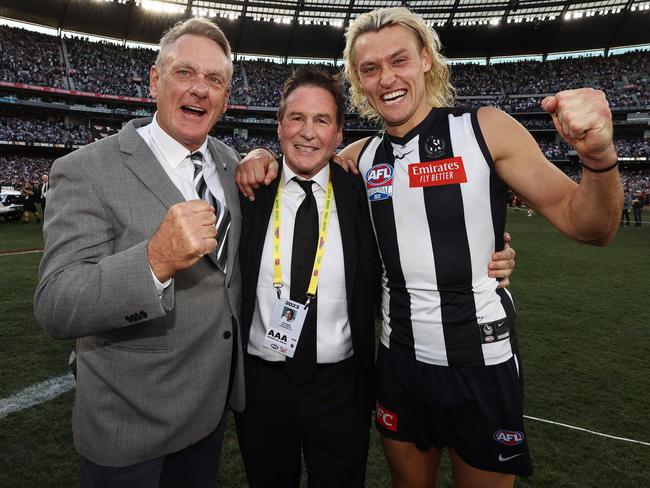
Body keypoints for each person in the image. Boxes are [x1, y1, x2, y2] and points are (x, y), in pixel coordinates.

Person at [235, 7, 622, 488]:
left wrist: (599, 156)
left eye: (399, 60)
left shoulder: (484, 129)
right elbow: (301, 158)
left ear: (426, 61)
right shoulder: (360, 159)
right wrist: (258, 157)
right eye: (370, 68)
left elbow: (590, 226)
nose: (387, 78)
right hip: (398, 364)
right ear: (359, 81)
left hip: (482, 362)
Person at [34, 17, 244, 488]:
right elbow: (56, 304)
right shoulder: (85, 169)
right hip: (129, 425)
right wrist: (154, 260)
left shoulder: (232, 165)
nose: (200, 89)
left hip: (209, 414)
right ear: (154, 80)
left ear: (226, 99)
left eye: (214, 80)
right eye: (184, 73)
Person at [235, 67, 381, 488]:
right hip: (262, 385)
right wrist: (252, 156)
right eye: (297, 118)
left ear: (339, 135)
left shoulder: (363, 196)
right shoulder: (249, 191)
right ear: (279, 125)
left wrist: (493, 251)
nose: (308, 133)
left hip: (340, 387)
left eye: (322, 121)